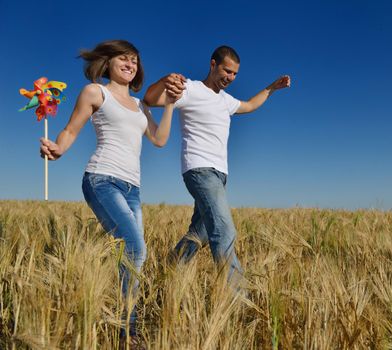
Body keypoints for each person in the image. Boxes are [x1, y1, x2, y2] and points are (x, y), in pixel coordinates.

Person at [39, 40, 183, 345]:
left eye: (134, 61)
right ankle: (128, 333)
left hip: (133, 188)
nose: (130, 65)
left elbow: (158, 139)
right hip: (102, 179)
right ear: (108, 63)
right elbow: (71, 129)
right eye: (124, 59)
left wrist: (169, 104)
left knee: (134, 258)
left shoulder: (141, 105)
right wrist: (58, 149)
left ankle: (119, 320)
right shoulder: (95, 91)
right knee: (135, 248)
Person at [144, 45, 291, 284]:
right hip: (199, 169)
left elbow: (250, 105)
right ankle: (237, 299)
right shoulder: (190, 89)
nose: (230, 77)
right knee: (224, 230)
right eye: (226, 71)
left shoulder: (226, 101)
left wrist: (272, 88)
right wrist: (165, 80)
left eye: (234, 74)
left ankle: (169, 270)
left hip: (220, 174)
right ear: (213, 64)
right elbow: (150, 99)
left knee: (200, 232)